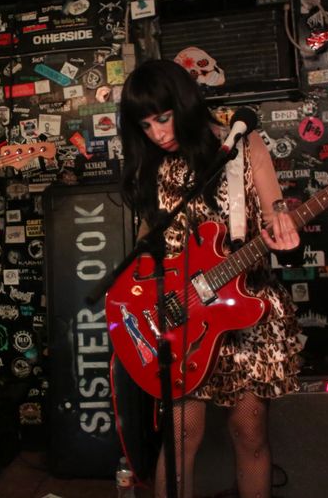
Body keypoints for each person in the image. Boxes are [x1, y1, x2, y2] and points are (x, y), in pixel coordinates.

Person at [117, 59, 303, 498]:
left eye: (163, 118)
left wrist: (285, 232)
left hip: (246, 312)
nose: (157, 133)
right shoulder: (152, 165)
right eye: (146, 126)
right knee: (181, 438)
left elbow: (276, 211)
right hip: (185, 318)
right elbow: (148, 242)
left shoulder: (239, 144)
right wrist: (145, 300)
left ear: (184, 103)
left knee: (249, 435)